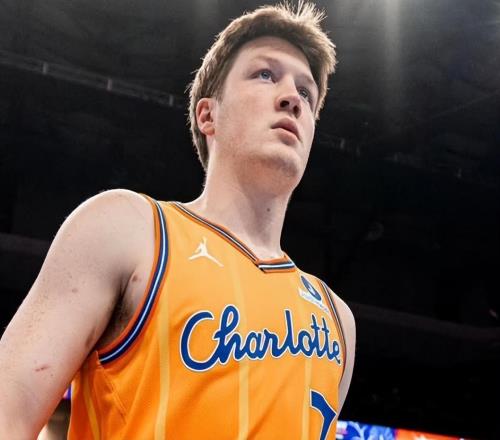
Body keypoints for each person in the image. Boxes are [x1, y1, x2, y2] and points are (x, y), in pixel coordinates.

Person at [0, 2, 356, 439]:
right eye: (265, 74)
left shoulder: (337, 320)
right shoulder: (127, 229)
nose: (292, 98)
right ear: (208, 115)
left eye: (306, 92)